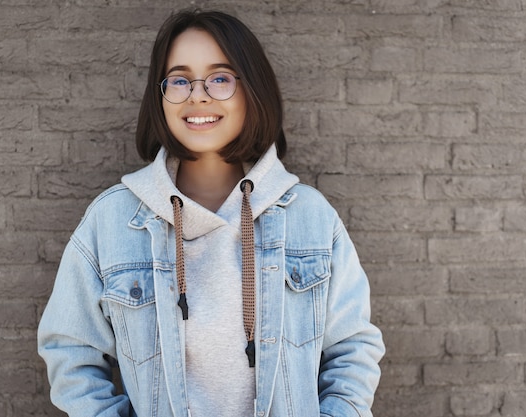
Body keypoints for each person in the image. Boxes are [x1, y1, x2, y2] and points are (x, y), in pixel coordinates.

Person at [37, 9, 385, 417]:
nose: (197, 95)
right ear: (161, 96)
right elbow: (71, 351)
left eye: (220, 78)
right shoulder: (112, 221)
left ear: (251, 91)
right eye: (180, 80)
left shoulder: (311, 218)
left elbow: (352, 349)